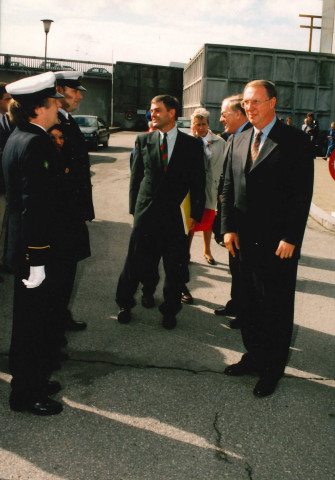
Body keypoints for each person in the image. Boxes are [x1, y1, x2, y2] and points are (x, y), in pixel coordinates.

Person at [222, 79, 314, 397]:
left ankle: (272, 369)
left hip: (278, 245)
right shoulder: (239, 138)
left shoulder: (294, 141)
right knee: (247, 304)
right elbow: (228, 188)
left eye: (256, 102)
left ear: (272, 103)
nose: (250, 108)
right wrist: (227, 227)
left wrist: (291, 237)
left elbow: (301, 195)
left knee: (274, 308)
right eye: (246, 102)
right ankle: (253, 356)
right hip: (242, 242)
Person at [2, 72, 65, 415]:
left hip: (23, 246)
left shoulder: (18, 136)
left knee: (32, 321)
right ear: (38, 108)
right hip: (34, 252)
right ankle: (26, 394)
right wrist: (39, 259)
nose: (59, 107)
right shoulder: (36, 141)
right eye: (54, 103)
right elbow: (34, 205)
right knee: (32, 325)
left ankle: (33, 379)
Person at [116, 94, 205, 330]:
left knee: (175, 268)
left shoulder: (192, 145)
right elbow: (136, 179)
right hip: (146, 215)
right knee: (134, 264)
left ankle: (170, 311)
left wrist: (195, 213)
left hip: (175, 219)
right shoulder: (143, 140)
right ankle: (125, 304)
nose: (152, 114)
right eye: (151, 110)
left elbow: (199, 182)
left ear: (172, 112)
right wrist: (135, 211)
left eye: (157, 110)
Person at [54, 71, 94, 334]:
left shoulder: (67, 121)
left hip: (72, 212)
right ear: (59, 90)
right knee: (59, 274)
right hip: (61, 216)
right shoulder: (53, 124)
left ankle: (61, 315)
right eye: (74, 90)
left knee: (67, 272)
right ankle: (55, 325)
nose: (79, 95)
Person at [213, 95, 251, 328]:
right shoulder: (233, 137)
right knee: (235, 265)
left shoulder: (249, 138)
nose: (221, 118)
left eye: (224, 113)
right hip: (232, 217)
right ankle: (236, 303)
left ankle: (245, 312)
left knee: (243, 268)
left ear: (239, 114)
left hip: (245, 220)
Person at [181, 108, 225, 304]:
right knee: (190, 222)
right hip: (192, 191)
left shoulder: (220, 142)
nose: (200, 128)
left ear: (209, 125)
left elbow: (224, 167)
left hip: (212, 188)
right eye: (196, 124)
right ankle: (186, 252)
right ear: (192, 125)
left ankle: (207, 251)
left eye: (203, 124)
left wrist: (223, 190)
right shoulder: (187, 142)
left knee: (208, 221)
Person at [0, 82, 13, 280]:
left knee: (4, 227)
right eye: (7, 98)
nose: (10, 102)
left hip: (5, 184)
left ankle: (2, 262)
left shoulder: (7, 120)